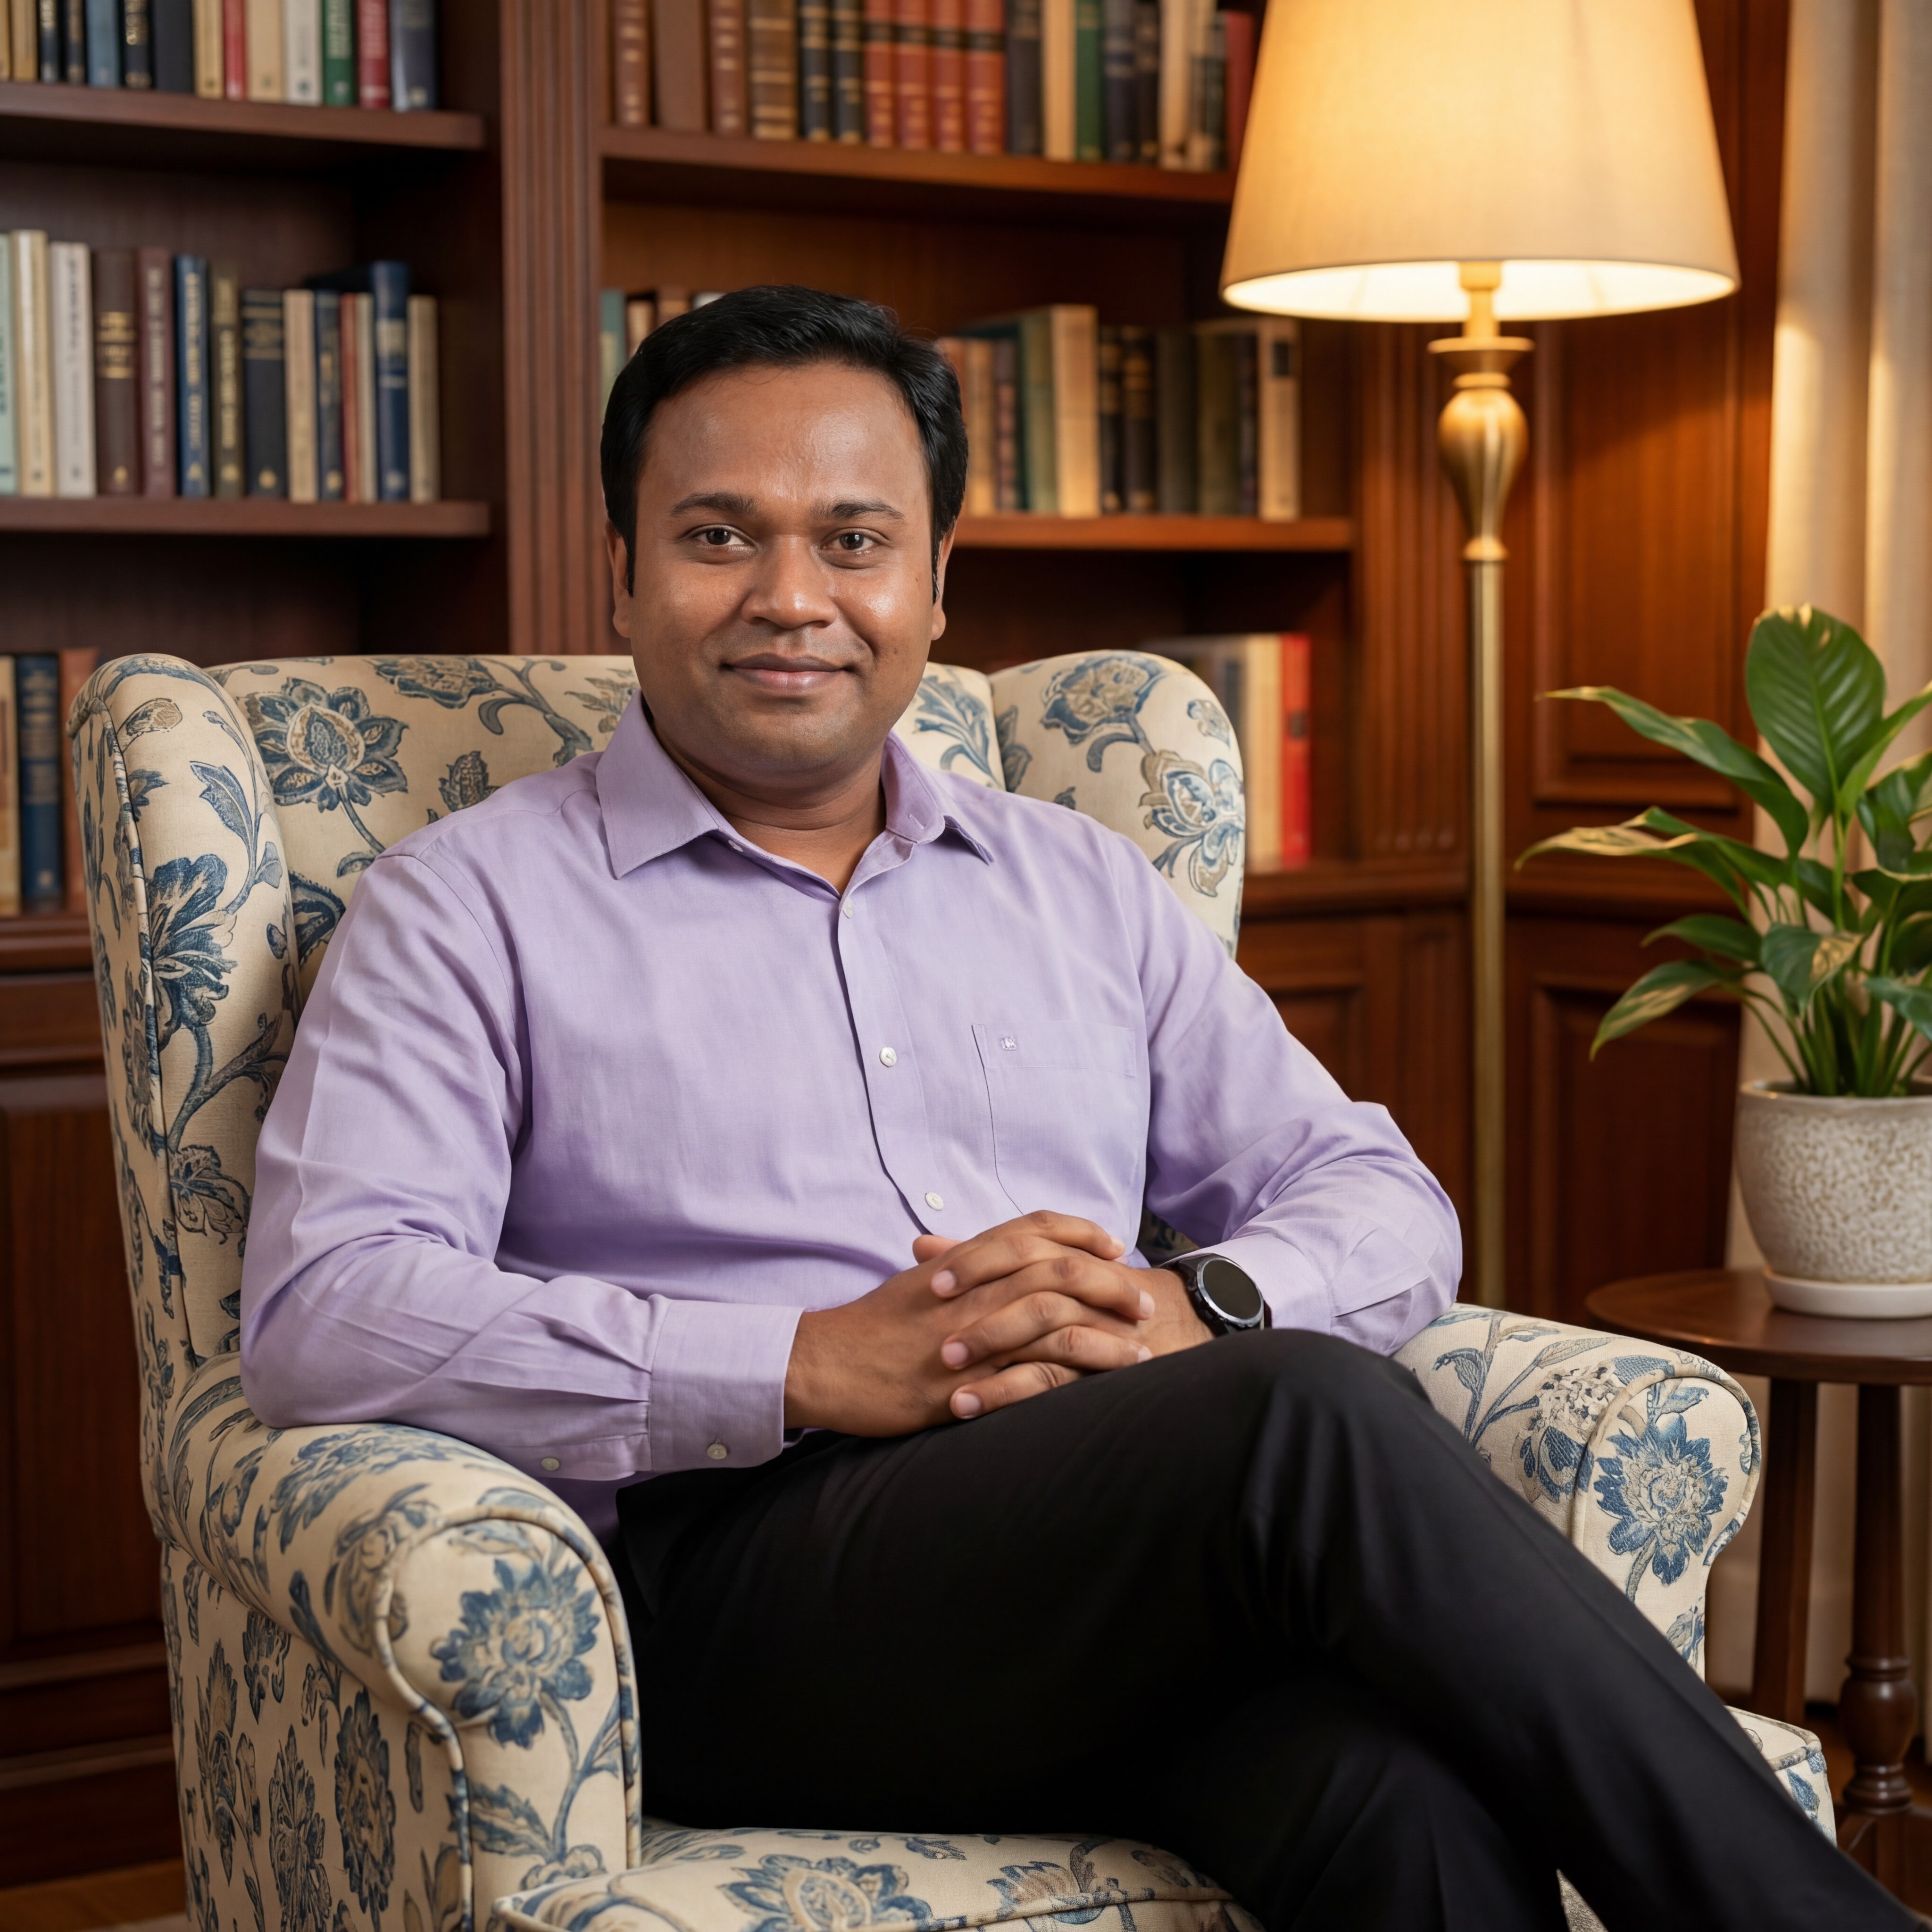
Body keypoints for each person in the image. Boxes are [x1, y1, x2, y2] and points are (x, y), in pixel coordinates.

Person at [240, 285, 1907, 1932]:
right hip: (728, 1596)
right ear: (624, 571)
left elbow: (1380, 1193)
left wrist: (1200, 1306)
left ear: (939, 582)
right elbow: (328, 1315)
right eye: (718, 536)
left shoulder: (1077, 884)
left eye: (853, 539)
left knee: (1399, 1804)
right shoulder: (466, 905)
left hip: (1093, 1552)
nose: (790, 598)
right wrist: (813, 1361)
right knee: (1300, 1417)